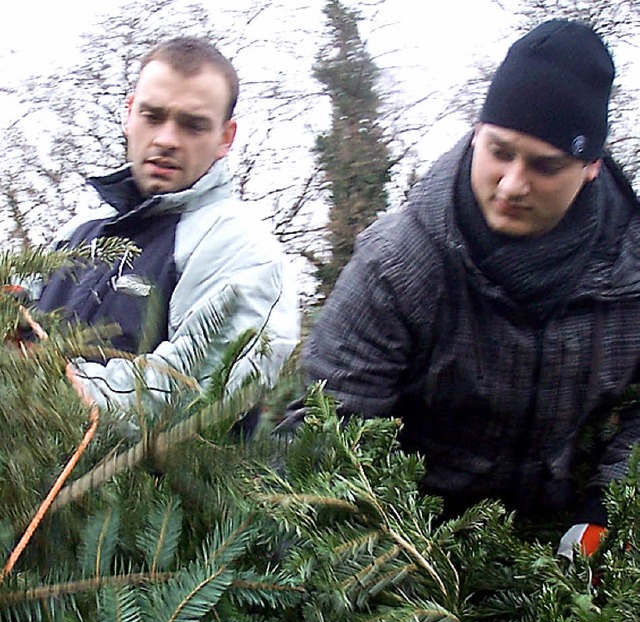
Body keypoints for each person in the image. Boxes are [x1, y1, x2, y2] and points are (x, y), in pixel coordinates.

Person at [296, 20, 640, 556]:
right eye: (500, 152)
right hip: (410, 542)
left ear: (592, 166)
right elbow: (324, 432)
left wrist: (604, 509)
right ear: (477, 131)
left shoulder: (631, 270)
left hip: (559, 534)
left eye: (545, 166)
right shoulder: (396, 265)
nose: (512, 184)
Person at [34, 37, 300, 412]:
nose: (167, 139)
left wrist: (35, 401)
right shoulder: (77, 233)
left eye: (193, 126)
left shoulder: (239, 248)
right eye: (153, 116)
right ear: (129, 114)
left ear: (226, 138)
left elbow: (197, 394)